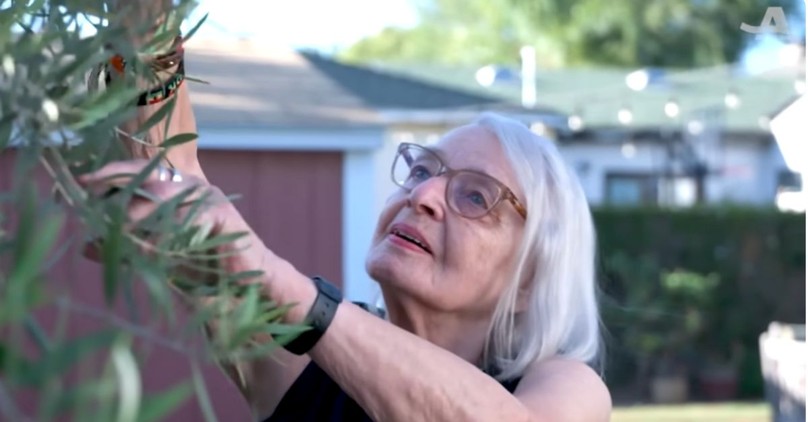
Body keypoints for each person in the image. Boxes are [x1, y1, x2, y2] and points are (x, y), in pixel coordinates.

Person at [79, 18, 612, 422]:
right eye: (422, 169)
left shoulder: (565, 388)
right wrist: (145, 34)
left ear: (531, 278)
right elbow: (172, 190)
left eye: (475, 197)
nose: (423, 194)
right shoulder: (302, 370)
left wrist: (281, 284)